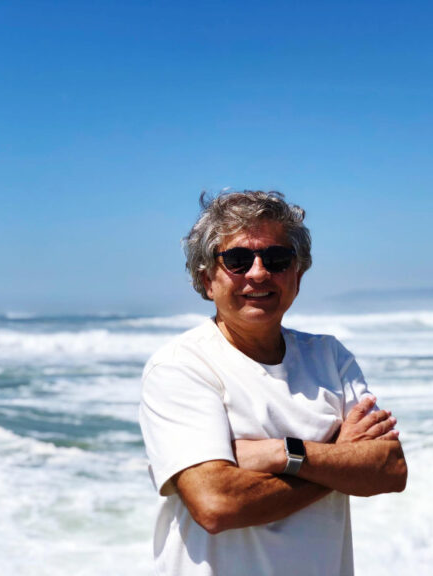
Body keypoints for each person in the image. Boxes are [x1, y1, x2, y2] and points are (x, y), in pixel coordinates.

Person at [139, 190, 407, 576]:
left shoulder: (329, 357)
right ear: (207, 280)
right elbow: (216, 504)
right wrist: (336, 461)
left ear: (297, 274)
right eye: (237, 259)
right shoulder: (181, 367)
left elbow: (390, 469)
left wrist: (281, 454)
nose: (259, 272)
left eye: (277, 258)